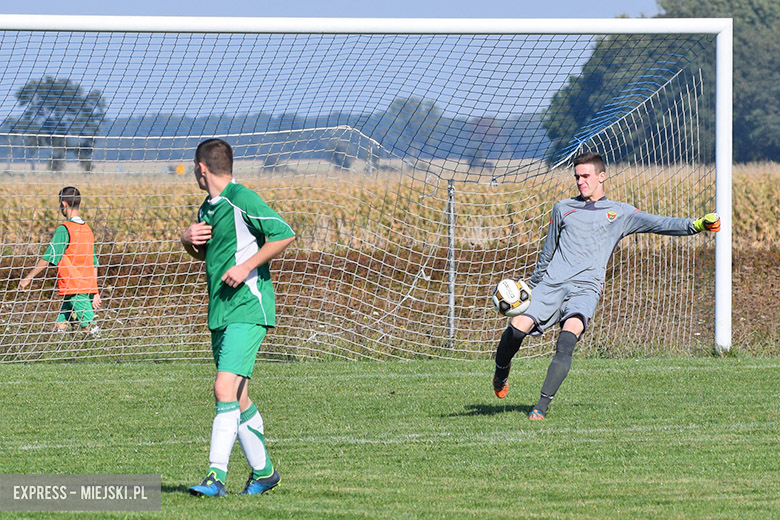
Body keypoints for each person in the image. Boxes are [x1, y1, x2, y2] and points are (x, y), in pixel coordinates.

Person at [492, 151, 720, 420]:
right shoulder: (563, 208)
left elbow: (658, 223)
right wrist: (532, 285)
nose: (580, 181)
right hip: (552, 284)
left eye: (585, 176)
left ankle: (540, 407)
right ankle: (501, 371)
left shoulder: (619, 212)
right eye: (577, 176)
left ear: (601, 176)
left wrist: (696, 225)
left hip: (586, 288)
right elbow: (547, 251)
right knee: (517, 329)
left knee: (568, 338)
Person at [181, 138, 295, 497]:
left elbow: (284, 233)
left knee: (222, 388)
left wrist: (245, 266)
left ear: (202, 168)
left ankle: (215, 477)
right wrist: (186, 240)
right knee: (239, 397)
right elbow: (210, 258)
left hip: (248, 308)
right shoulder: (208, 208)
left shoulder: (241, 198)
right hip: (222, 310)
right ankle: (264, 473)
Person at [19, 186, 102, 332]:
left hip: (74, 286)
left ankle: (94, 350)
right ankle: (61, 345)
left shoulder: (65, 229)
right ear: (79, 204)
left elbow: (48, 257)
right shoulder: (87, 229)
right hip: (85, 285)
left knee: (90, 327)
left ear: (63, 204)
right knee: (61, 323)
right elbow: (94, 262)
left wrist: (28, 278)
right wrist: (94, 290)